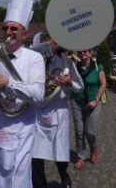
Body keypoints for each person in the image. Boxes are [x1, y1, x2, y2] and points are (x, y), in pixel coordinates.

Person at [0, 0, 45, 188]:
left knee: (17, 178)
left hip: (20, 128)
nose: (8, 32)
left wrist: (8, 83)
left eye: (14, 29)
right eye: (6, 28)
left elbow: (38, 94)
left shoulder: (34, 58)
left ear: (25, 34)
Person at [32, 31, 83, 188]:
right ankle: (40, 185)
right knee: (35, 154)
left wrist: (69, 84)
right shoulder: (34, 61)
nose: (52, 47)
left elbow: (80, 88)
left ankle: (64, 177)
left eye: (54, 43)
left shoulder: (67, 61)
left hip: (59, 113)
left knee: (59, 152)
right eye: (48, 44)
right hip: (38, 113)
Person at [71, 49, 106, 169]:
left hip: (93, 102)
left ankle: (93, 148)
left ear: (90, 53)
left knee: (90, 132)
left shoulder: (98, 66)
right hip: (77, 101)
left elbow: (103, 84)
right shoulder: (75, 66)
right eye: (80, 52)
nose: (82, 54)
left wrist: (96, 100)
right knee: (79, 131)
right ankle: (81, 157)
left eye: (85, 52)